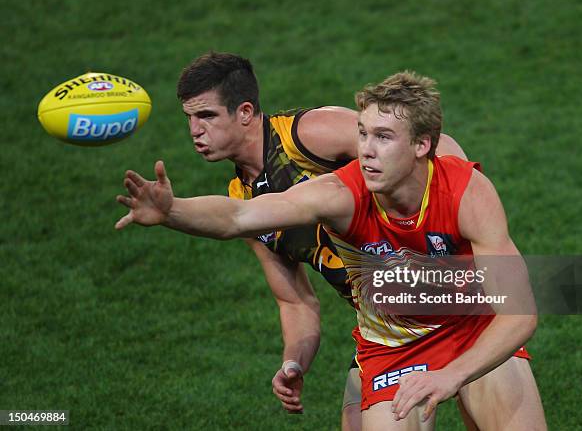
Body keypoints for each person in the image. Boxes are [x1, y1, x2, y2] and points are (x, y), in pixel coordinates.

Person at [171, 52, 470, 430]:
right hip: (388, 328)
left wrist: (456, 220)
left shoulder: (305, 135)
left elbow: (429, 146)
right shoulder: (243, 198)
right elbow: (295, 300)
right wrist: (293, 362)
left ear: (245, 112)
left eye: (207, 116)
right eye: (190, 119)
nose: (194, 130)